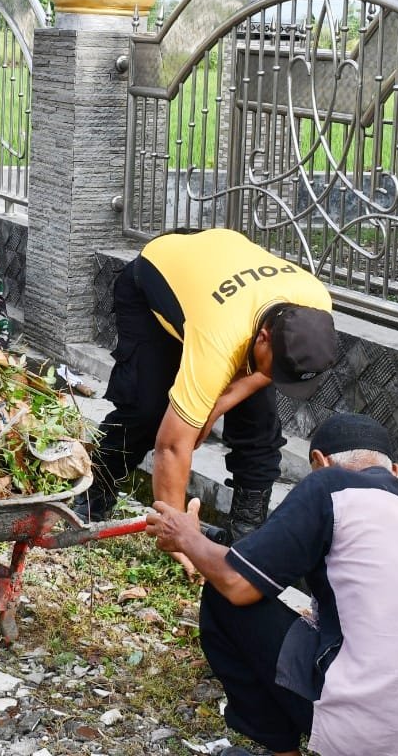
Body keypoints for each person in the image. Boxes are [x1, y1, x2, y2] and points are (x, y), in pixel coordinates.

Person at [147, 413, 398, 756]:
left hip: (378, 734)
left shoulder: (329, 485)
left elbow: (238, 582)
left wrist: (187, 537)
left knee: (224, 601)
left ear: (319, 461)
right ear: (394, 471)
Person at [78, 228, 338, 544]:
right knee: (147, 412)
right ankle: (93, 496)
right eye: (277, 369)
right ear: (264, 337)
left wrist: (215, 407)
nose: (275, 377)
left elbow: (266, 373)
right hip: (158, 280)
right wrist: (179, 542)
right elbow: (172, 448)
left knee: (259, 429)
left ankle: (247, 536)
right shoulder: (221, 339)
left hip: (220, 276)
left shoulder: (313, 304)